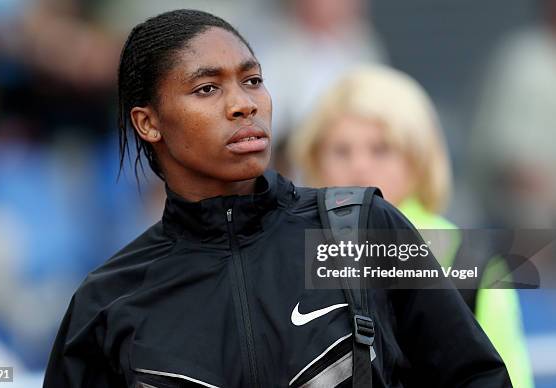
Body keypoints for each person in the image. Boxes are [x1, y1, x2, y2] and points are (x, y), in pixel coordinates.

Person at [43, 10, 511, 387]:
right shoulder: (106, 303)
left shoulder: (362, 227)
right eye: (208, 88)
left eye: (251, 80)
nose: (244, 103)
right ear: (148, 123)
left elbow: (478, 376)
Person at [289, 64, 532, 388]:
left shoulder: (469, 259)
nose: (359, 166)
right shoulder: (288, 251)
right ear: (314, 162)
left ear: (419, 160)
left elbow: (510, 378)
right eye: (341, 150)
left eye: (381, 149)